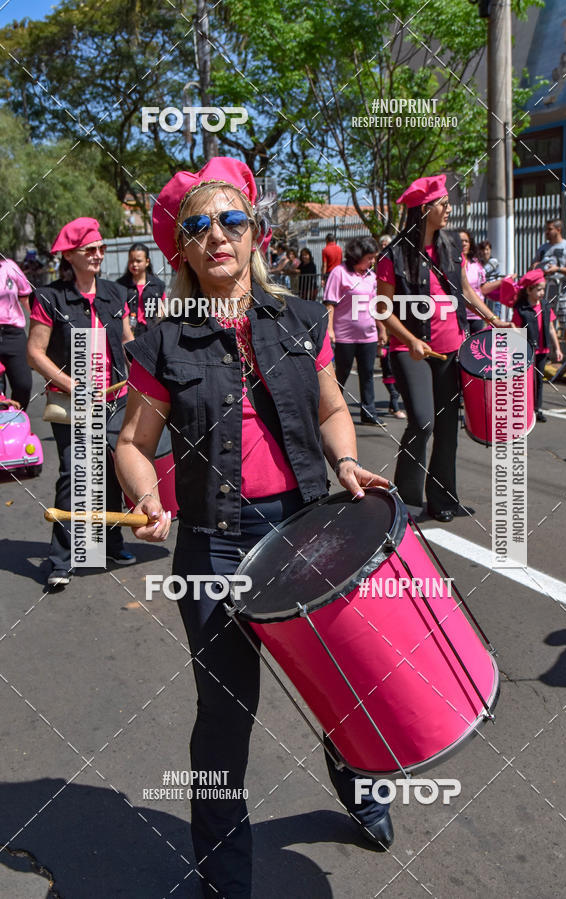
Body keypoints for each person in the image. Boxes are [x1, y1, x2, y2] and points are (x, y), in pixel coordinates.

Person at [114, 156, 393, 898]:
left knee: (341, 684)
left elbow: (334, 409)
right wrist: (146, 495)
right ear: (182, 250)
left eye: (230, 221)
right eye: (197, 227)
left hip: (306, 532)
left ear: (254, 233)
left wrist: (347, 464)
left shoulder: (304, 318)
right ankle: (223, 869)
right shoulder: (163, 342)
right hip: (212, 541)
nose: (216, 237)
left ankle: (364, 787)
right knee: (226, 713)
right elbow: (133, 444)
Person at [377, 174, 511, 522]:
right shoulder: (394, 254)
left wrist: (492, 318)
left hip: (451, 350)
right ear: (424, 210)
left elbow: (465, 289)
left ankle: (442, 501)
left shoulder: (451, 245)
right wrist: (410, 339)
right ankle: (403, 502)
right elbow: (382, 309)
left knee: (448, 428)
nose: (448, 209)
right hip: (411, 351)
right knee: (422, 422)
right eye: (443, 204)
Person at [27, 217, 136, 589]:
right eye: (89, 249)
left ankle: (110, 541)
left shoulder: (114, 293)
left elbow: (125, 340)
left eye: (101, 248)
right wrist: (75, 386)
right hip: (73, 403)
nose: (98, 255)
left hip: (116, 398)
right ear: (69, 255)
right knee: (75, 476)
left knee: (110, 473)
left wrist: (144, 369)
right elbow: (34, 353)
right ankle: (60, 559)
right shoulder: (49, 297)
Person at [324, 235, 385, 426]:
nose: (372, 261)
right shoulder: (339, 273)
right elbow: (330, 304)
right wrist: (330, 330)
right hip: (345, 336)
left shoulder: (371, 277)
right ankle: (333, 412)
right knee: (341, 374)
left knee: (367, 374)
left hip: (368, 335)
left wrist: (382, 329)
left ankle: (369, 412)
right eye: (369, 257)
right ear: (358, 255)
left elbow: (376, 306)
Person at [500, 270, 563, 422]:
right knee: (523, 381)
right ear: (528, 290)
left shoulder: (545, 306)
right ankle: (522, 408)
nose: (542, 292)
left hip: (542, 349)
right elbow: (515, 329)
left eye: (543, 289)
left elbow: (551, 327)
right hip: (525, 350)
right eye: (539, 289)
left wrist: (558, 348)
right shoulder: (521, 309)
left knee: (539, 380)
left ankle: (537, 408)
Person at [531, 219, 566, 349]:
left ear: (558, 230)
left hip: (563, 292)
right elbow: (533, 265)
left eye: (549, 229)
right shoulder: (543, 248)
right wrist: (537, 267)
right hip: (544, 292)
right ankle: (548, 352)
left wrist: (557, 269)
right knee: (545, 323)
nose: (546, 232)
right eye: (546, 229)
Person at [0, 257, 33, 410]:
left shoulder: (9, 266)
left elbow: (26, 296)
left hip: (13, 334)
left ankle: (16, 422)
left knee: (23, 385)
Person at [116, 243, 166, 337]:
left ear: (147, 262)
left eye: (138, 261)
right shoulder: (120, 285)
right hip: (129, 333)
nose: (134, 264)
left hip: (152, 332)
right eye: (131, 261)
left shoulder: (158, 285)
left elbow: (162, 311)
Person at [477, 239, 503, 319]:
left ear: (490, 250)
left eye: (487, 249)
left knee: (494, 316)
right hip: (485, 293)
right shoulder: (479, 263)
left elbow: (483, 272)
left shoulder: (493, 261)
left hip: (494, 293)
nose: (485, 252)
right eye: (483, 249)